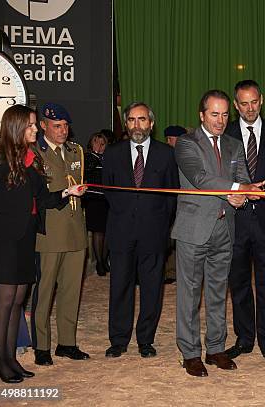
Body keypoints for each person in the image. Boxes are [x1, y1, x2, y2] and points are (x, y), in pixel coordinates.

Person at [172, 89, 262, 377]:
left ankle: (215, 349)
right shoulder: (186, 143)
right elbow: (200, 178)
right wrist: (236, 191)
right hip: (193, 229)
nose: (220, 120)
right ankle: (189, 353)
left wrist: (241, 196)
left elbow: (243, 179)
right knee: (189, 294)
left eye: (225, 114)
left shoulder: (235, 145)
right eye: (214, 114)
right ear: (202, 115)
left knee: (217, 292)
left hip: (225, 227)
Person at [0, 105, 84, 383]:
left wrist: (68, 191)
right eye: (31, 125)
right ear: (16, 128)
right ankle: (0, 361)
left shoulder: (30, 159)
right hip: (5, 239)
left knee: (19, 300)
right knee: (5, 301)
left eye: (35, 125)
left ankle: (10, 359)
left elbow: (43, 199)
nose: (35, 129)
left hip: (27, 238)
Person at [102, 102, 179, 358]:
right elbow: (108, 192)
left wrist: (160, 224)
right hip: (121, 232)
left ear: (151, 123)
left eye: (142, 119)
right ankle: (119, 340)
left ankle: (146, 340)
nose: (137, 125)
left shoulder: (166, 154)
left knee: (152, 289)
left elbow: (172, 195)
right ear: (126, 124)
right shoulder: (112, 154)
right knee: (120, 287)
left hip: (154, 233)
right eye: (132, 120)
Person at [225, 80, 265, 364]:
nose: (249, 108)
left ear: (261, 100)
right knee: (238, 283)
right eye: (243, 104)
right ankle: (244, 338)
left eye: (254, 102)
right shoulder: (224, 133)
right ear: (236, 106)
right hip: (234, 221)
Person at [31, 102, 90, 366]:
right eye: (57, 126)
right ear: (43, 125)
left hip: (76, 230)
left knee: (71, 290)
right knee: (44, 292)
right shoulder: (34, 153)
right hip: (49, 233)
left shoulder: (76, 151)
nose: (63, 131)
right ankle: (41, 346)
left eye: (66, 126)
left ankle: (67, 343)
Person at [162, 125, 186, 284]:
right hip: (168, 201)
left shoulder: (186, 154)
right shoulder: (163, 155)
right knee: (168, 238)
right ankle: (170, 271)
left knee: (180, 239)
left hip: (183, 201)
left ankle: (177, 272)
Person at [84, 131, 109, 276]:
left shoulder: (109, 158)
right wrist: (96, 155)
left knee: (107, 232)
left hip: (108, 199)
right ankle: (99, 262)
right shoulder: (88, 157)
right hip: (94, 199)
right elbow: (87, 171)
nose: (99, 145)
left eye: (102, 143)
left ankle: (104, 260)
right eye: (96, 142)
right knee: (98, 232)